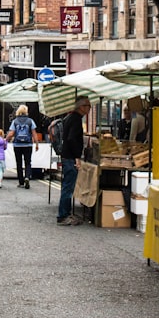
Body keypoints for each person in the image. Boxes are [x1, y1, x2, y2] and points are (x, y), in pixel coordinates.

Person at [57, 97, 90, 226]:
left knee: (68, 186)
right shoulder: (76, 119)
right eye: (88, 105)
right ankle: (63, 215)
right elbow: (71, 139)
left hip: (67, 156)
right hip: (70, 158)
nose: (89, 108)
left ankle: (65, 213)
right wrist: (77, 156)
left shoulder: (70, 117)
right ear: (81, 107)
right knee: (68, 187)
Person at [6, 104, 39, 189]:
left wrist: (5, 140)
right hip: (28, 144)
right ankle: (27, 177)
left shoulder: (15, 121)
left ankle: (21, 182)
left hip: (17, 145)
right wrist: (36, 143)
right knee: (28, 162)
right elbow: (34, 133)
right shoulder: (30, 121)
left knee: (19, 163)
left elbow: (11, 133)